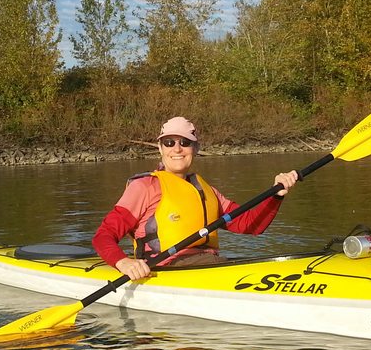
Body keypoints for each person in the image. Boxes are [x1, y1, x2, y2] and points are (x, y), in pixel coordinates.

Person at [93, 116, 299, 280]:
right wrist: (124, 263)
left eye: (185, 142)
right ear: (160, 148)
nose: (177, 148)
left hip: (208, 266)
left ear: (196, 149)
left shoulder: (206, 190)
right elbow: (104, 235)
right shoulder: (145, 187)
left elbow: (250, 225)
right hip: (164, 269)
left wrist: (275, 194)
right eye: (169, 142)